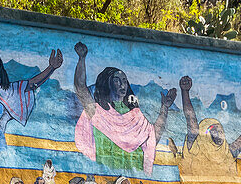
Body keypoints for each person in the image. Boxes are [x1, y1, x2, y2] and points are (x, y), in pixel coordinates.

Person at [74, 42, 177, 173]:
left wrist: (165, 108)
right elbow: (80, 88)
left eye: (124, 80)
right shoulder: (98, 111)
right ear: (108, 83)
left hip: (135, 176)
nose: (122, 84)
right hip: (106, 173)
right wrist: (82, 59)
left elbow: (152, 137)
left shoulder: (135, 114)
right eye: (117, 80)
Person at [173, 75, 241, 178]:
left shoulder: (226, 152)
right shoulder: (196, 146)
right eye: (215, 131)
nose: (220, 134)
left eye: (221, 131)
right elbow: (190, 119)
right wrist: (185, 92)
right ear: (206, 133)